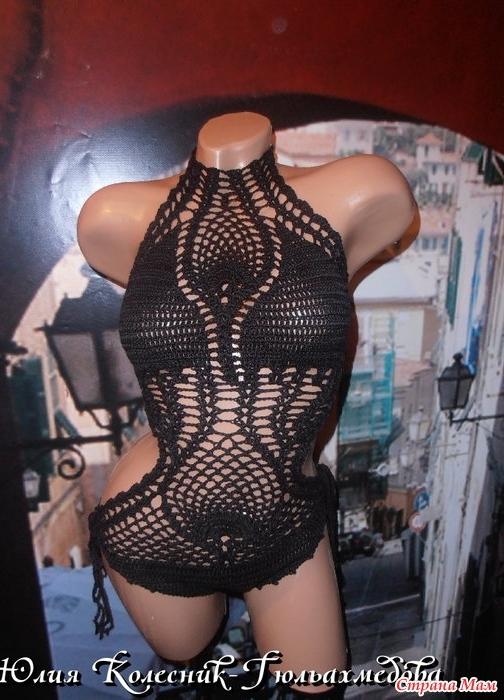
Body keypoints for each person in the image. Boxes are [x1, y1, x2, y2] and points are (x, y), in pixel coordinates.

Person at [78, 112, 416, 694]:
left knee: (316, 682)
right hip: (153, 515)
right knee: (186, 652)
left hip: (285, 517)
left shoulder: (362, 189)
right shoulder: (113, 213)